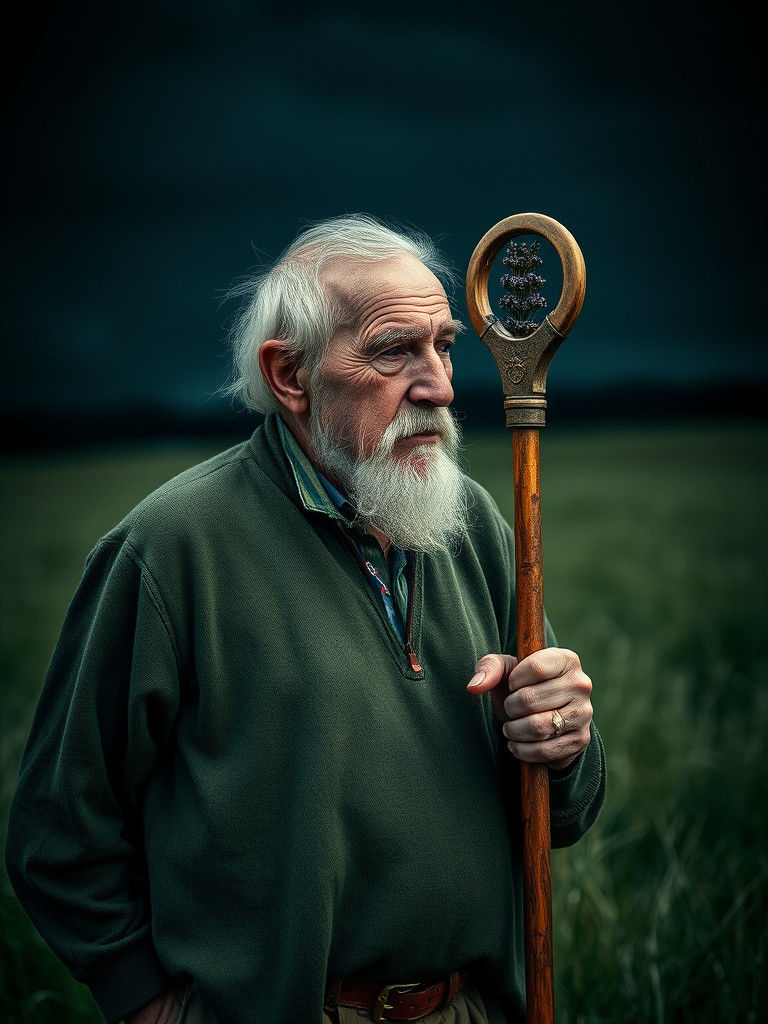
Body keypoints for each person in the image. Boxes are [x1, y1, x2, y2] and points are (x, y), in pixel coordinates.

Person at [5, 214, 605, 1024]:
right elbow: (58, 832)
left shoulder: (472, 521)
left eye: (447, 345)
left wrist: (562, 744)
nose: (440, 385)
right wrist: (146, 1004)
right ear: (290, 375)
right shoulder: (172, 549)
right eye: (396, 351)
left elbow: (562, 812)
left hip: (477, 1008)